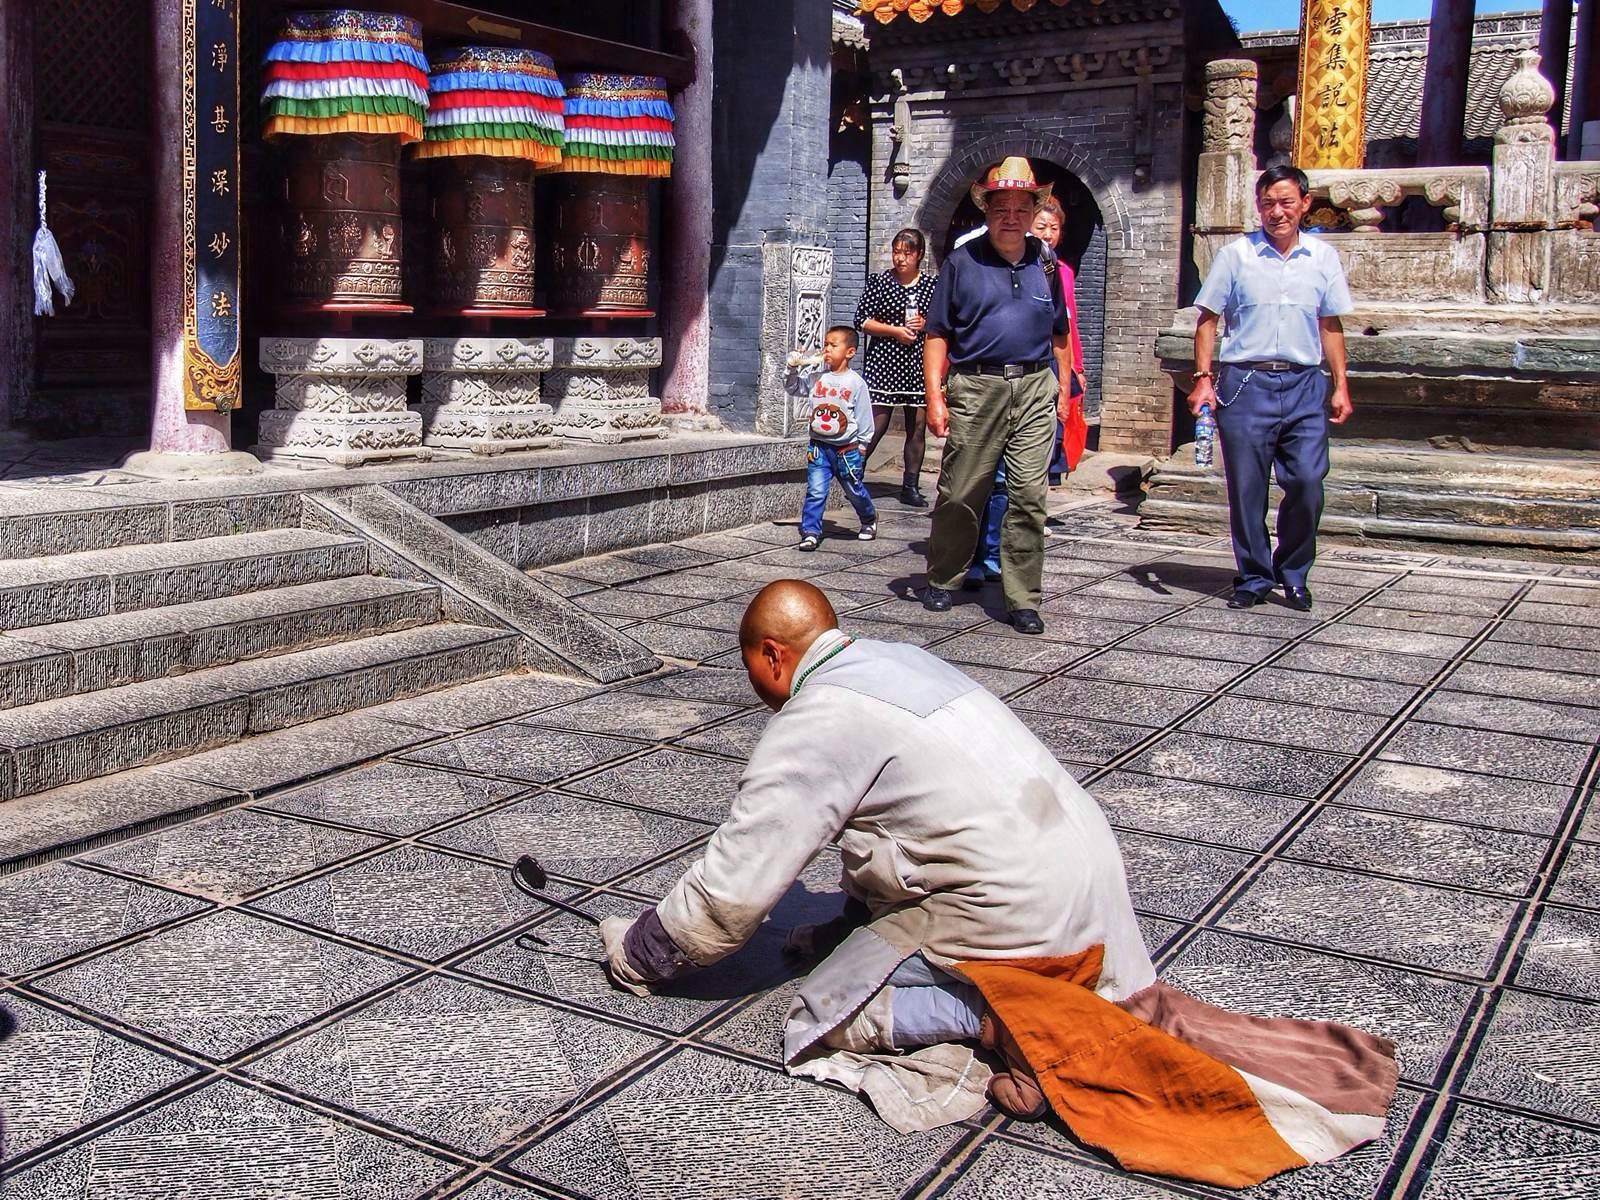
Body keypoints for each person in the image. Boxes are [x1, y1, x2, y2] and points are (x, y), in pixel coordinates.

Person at [595, 580, 1398, 1188]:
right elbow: (908, 831)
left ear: (773, 656)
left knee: (828, 1009)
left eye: (751, 668)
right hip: (1082, 878)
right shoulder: (897, 660)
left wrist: (641, 952)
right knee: (856, 939)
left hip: (1018, 907)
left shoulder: (817, 719)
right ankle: (1022, 995)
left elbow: (737, 885)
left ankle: (992, 1019)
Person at [1187, 164, 1353, 611]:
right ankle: (1255, 575)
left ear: (1304, 204)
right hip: (1246, 384)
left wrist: (1340, 385)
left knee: (1308, 481)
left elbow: (1330, 323)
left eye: (1285, 202)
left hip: (1302, 383)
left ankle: (1293, 571)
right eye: (1267, 203)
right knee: (1247, 487)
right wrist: (1203, 380)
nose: (1276, 212)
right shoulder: (1236, 255)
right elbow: (1207, 319)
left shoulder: (1322, 259)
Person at [919, 157, 1072, 636]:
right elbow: (937, 333)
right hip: (976, 387)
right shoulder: (963, 263)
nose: (1011, 216)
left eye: (1021, 208)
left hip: (1033, 388)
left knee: (1028, 495)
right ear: (987, 210)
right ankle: (945, 576)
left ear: (1034, 211)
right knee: (963, 489)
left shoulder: (1045, 263)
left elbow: (1060, 335)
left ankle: (1022, 596)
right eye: (1000, 206)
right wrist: (934, 397)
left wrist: (1063, 391)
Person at [964, 196, 1088, 588]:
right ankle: (971, 554)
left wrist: (1067, 382)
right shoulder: (973, 259)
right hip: (986, 382)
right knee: (977, 477)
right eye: (1041, 227)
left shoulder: (1053, 269)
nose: (1044, 233)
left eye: (1051, 227)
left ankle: (999, 558)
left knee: (1018, 483)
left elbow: (1063, 330)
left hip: (1036, 377)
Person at [856, 228, 940, 508]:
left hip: (917, 362)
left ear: (918, 255)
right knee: (876, 421)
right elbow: (862, 320)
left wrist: (924, 323)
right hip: (885, 359)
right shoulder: (879, 282)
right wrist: (894, 331)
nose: (901, 258)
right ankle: (853, 473)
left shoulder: (930, 286)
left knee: (916, 425)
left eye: (907, 253)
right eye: (897, 252)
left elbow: (942, 322)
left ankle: (911, 485)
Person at [796, 325, 877, 551]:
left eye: (833, 345)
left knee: (853, 490)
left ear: (850, 352)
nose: (827, 350)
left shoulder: (855, 383)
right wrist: (793, 368)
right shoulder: (816, 378)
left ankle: (869, 518)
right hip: (819, 447)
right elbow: (793, 387)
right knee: (816, 490)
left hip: (846, 450)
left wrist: (862, 446)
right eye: (825, 345)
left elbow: (864, 415)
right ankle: (811, 531)